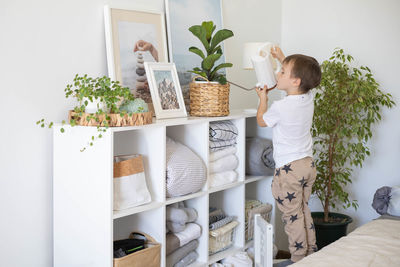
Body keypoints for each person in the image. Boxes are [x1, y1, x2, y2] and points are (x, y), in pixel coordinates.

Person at [256, 47, 321, 267]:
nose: (278, 74)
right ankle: (311, 252)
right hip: (307, 165)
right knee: (303, 210)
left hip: (289, 170)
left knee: (291, 217)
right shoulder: (308, 97)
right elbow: (300, 79)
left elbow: (262, 120)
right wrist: (282, 58)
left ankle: (298, 259)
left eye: (282, 71)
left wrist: (262, 98)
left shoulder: (280, 107)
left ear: (295, 81)